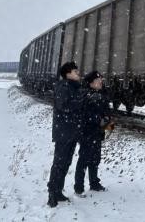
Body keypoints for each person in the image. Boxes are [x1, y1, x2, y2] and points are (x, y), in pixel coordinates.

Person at [47, 61, 83, 207]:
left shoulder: (74, 87)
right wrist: (81, 101)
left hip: (71, 132)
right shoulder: (63, 87)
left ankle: (58, 191)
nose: (78, 73)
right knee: (59, 163)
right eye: (75, 71)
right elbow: (64, 106)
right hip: (63, 132)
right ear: (68, 74)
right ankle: (52, 193)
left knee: (66, 162)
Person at [74, 70, 111, 195]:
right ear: (91, 83)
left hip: (97, 132)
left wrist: (107, 121)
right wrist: (98, 119)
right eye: (97, 80)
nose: (100, 82)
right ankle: (78, 187)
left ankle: (94, 183)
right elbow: (84, 114)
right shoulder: (85, 95)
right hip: (86, 132)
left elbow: (106, 111)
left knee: (95, 158)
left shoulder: (101, 94)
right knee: (84, 159)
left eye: (101, 80)